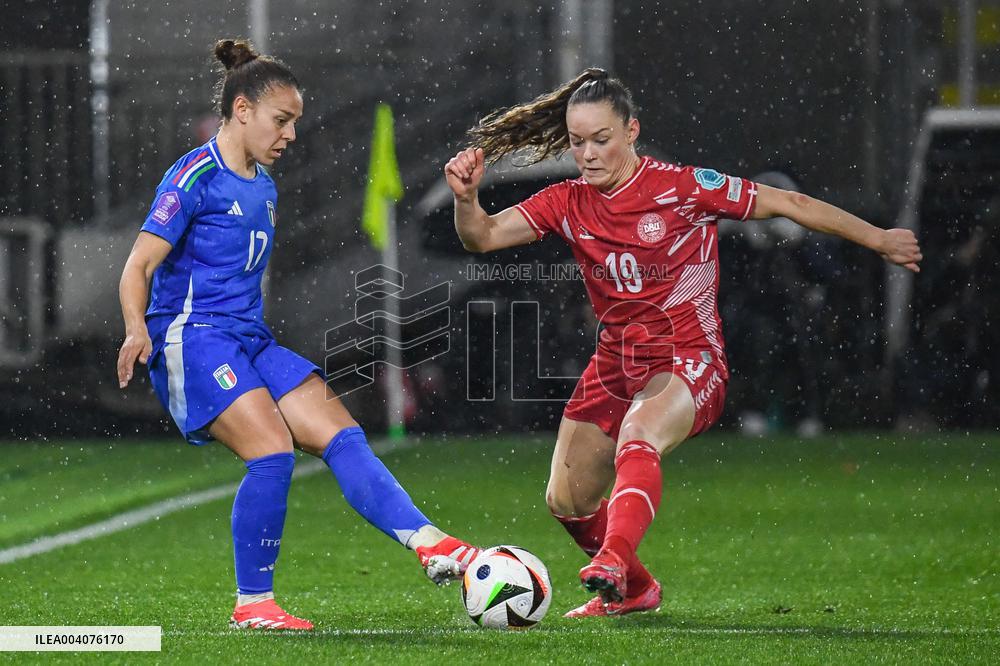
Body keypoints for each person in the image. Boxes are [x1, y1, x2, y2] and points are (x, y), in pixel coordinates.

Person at [445, 68, 921, 618]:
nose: (589, 154)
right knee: (566, 498)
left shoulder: (683, 188)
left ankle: (614, 560)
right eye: (578, 143)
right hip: (615, 363)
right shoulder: (567, 201)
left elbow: (791, 204)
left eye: (601, 140)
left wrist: (878, 238)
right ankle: (636, 591)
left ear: (631, 131)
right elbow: (481, 236)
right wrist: (466, 199)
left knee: (638, 433)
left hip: (687, 359)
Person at [117, 38, 478, 631]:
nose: (289, 136)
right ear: (242, 110)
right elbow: (138, 265)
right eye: (280, 121)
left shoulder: (263, 184)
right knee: (272, 454)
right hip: (193, 337)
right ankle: (253, 605)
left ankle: (432, 543)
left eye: (294, 124)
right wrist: (136, 330)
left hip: (248, 338)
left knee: (342, 434)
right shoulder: (194, 176)